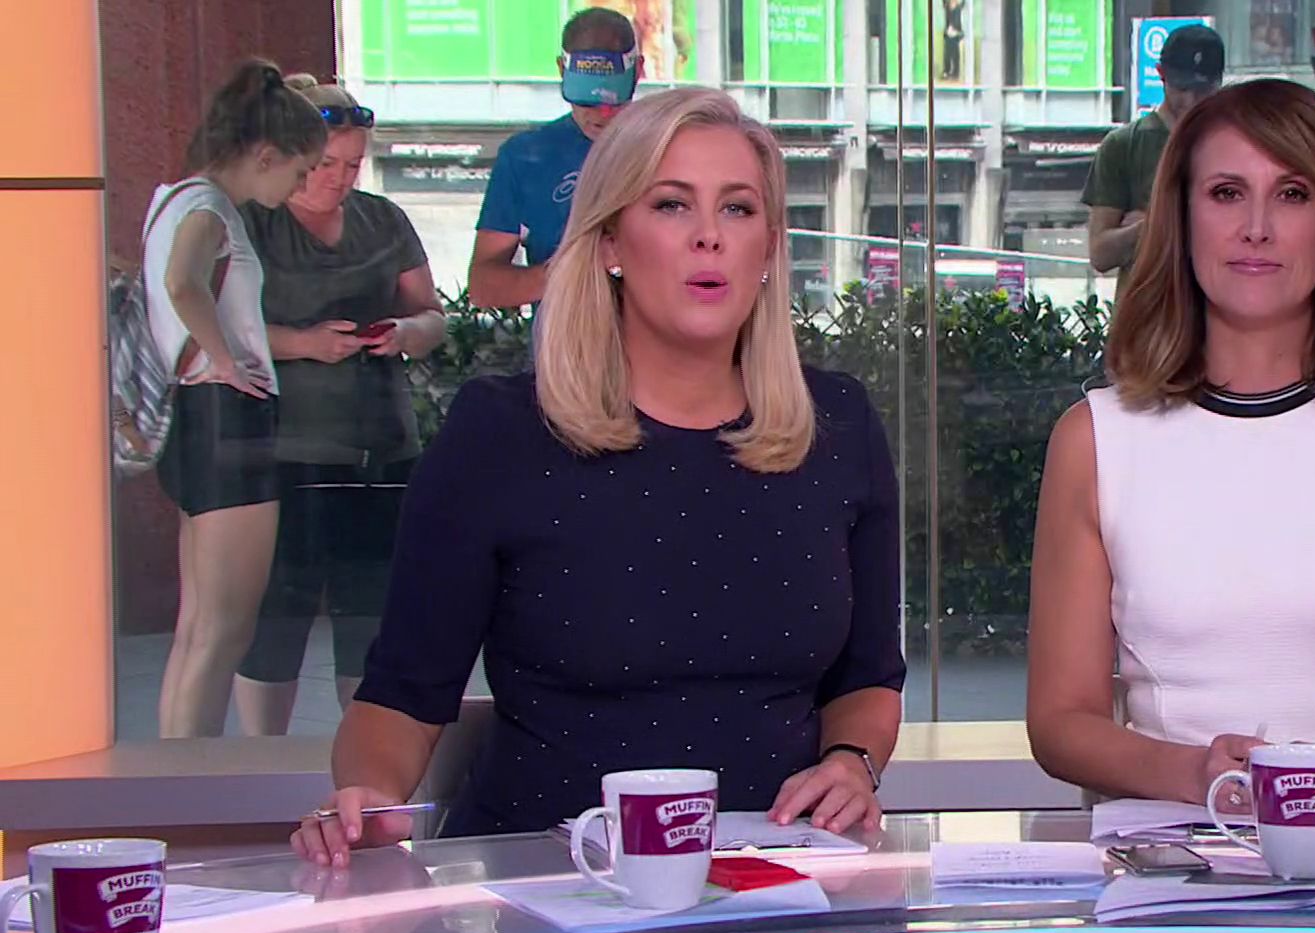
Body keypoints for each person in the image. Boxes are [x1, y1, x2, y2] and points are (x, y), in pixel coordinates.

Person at [292, 87, 905, 865]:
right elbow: (402, 697)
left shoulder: (839, 426)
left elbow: (869, 679)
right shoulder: (499, 435)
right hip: (548, 885)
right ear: (610, 240)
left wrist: (851, 763)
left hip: (776, 877)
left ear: (769, 246)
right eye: (672, 205)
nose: (710, 236)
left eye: (738, 209)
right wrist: (370, 799)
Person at [1027, 78, 1315, 814]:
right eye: (1226, 193)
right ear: (1181, 220)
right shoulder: (1094, 441)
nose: (1256, 228)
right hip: (1169, 851)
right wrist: (1197, 775)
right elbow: (1061, 722)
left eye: (1293, 195)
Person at [231, 76, 448, 736]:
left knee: (371, 616)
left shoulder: (382, 219)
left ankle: (363, 752)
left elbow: (432, 314)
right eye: (326, 164)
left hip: (378, 445)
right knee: (277, 617)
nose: (339, 179)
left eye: (353, 165)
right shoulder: (254, 220)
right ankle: (261, 756)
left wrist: (406, 333)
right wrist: (301, 344)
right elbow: (217, 328)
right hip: (284, 449)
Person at [147, 60, 327, 738]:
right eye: (300, 171)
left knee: (200, 629)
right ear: (266, 155)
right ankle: (186, 777)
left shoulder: (173, 198)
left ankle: (176, 772)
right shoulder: (209, 207)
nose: (302, 186)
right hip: (228, 415)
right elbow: (181, 281)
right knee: (223, 630)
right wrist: (224, 358)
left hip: (198, 418)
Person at [466, 7, 642, 310]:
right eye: (586, 99)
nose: (602, 112)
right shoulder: (525, 158)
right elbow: (484, 289)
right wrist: (580, 265)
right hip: (561, 339)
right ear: (562, 69)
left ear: (637, 72)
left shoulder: (672, 147)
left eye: (613, 98)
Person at [1082, 23, 1224, 292]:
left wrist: (1144, 224)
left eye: (1203, 90)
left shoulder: (1236, 146)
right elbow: (1101, 254)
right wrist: (1156, 225)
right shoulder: (1123, 145)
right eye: (1181, 88)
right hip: (1147, 312)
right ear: (1160, 74)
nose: (1191, 100)